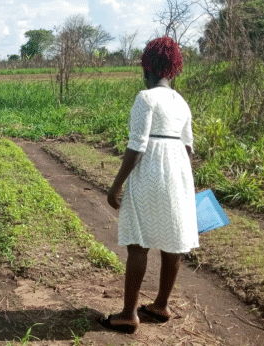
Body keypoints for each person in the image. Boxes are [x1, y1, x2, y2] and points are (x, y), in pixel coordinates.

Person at [102, 36, 198, 334]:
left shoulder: (145, 98)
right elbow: (188, 147)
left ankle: (129, 313)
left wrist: (116, 185)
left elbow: (137, 144)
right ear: (173, 68)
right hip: (178, 171)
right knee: (173, 243)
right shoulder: (181, 101)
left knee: (139, 243)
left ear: (147, 68)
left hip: (150, 171)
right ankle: (161, 305)